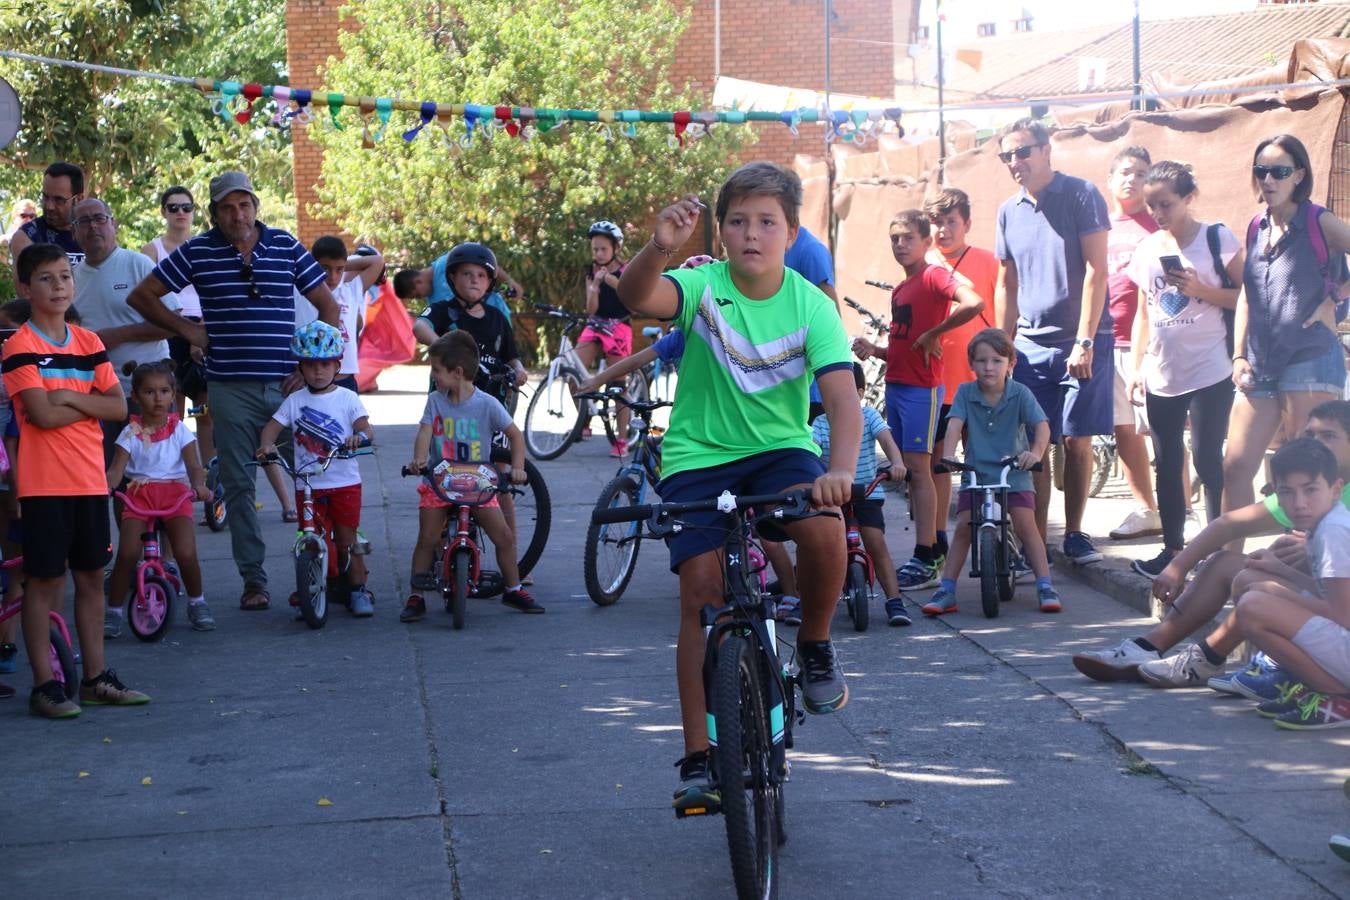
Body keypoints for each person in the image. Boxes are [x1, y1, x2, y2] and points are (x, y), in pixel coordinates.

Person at [615, 161, 861, 811]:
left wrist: (839, 470)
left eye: (767, 222)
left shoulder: (812, 305)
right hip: (698, 456)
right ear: (719, 232)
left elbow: (842, 401)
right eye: (738, 221)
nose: (752, 233)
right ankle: (699, 757)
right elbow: (638, 298)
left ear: (791, 231)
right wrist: (660, 246)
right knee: (700, 590)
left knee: (826, 530)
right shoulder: (703, 287)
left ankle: (813, 643)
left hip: (780, 451)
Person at [126, 170, 340, 613]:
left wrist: (312, 365)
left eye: (244, 205)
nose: (237, 214)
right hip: (228, 388)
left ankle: (330, 574)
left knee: (321, 477)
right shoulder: (197, 251)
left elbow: (329, 304)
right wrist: (187, 330)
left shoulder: (284, 245)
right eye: (227, 207)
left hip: (289, 385)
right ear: (214, 213)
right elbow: (144, 296)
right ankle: (255, 582)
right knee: (240, 487)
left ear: (256, 207)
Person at [1072, 400, 1350, 689]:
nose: (1317, 443)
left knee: (1258, 597)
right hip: (1327, 598)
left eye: (1328, 436)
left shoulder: (1321, 490)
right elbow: (1229, 523)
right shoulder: (1306, 487)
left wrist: (1310, 550)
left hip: (1339, 615)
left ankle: (1220, 660)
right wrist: (1178, 566)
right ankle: (1149, 647)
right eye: (1311, 435)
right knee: (1229, 566)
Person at [1, 243, 146, 718]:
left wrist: (66, 394)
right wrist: (81, 400)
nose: (59, 285)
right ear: (26, 287)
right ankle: (45, 686)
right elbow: (40, 416)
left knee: (89, 578)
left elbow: (119, 407)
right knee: (44, 584)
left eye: (65, 276)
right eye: (46, 278)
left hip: (89, 481)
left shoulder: (89, 343)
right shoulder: (18, 346)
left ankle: (95, 679)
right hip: (44, 487)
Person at [994, 117, 1113, 565]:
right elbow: (1006, 283)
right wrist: (1003, 347)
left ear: (1047, 150)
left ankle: (1077, 534)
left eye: (1022, 151)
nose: (1015, 161)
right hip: (1029, 345)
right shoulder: (1008, 210)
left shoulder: (1081, 194)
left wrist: (1084, 341)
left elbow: (1097, 271)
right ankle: (1035, 543)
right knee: (1034, 448)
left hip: (1081, 340)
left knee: (1078, 439)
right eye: (1007, 155)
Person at [852, 210, 985, 591]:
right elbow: (905, 344)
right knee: (912, 471)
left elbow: (973, 302)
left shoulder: (932, 275)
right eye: (895, 238)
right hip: (896, 383)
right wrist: (876, 349)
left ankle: (926, 555)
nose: (900, 244)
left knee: (918, 468)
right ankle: (934, 545)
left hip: (921, 390)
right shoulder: (901, 288)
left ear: (926, 242)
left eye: (908, 237)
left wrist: (936, 334)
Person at [1225, 134, 1350, 531]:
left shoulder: (1318, 220)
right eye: (1261, 171)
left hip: (1311, 356)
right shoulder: (1255, 226)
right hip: (1260, 362)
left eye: (1279, 171)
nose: (1268, 179)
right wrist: (1238, 354)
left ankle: (1307, 564)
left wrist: (1336, 300)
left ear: (1298, 175)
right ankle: (1229, 562)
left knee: (1307, 473)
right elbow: (1247, 292)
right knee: (1236, 464)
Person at [1126, 161, 1241, 577]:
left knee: (1209, 457)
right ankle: (1173, 550)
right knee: (1166, 460)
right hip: (1162, 371)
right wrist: (1139, 365)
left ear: (1189, 198)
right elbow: (1144, 310)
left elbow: (1245, 297)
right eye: (1151, 205)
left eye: (1167, 204)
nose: (1158, 213)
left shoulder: (1216, 238)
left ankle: (1213, 551)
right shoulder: (1147, 248)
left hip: (1211, 367)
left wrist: (1200, 290)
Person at [400, 330, 541, 622]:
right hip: (440, 481)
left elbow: (514, 436)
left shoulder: (487, 404)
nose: (433, 376)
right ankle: (416, 595)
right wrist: (419, 459)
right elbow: (425, 431)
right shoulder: (436, 401)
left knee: (502, 536)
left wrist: (517, 467)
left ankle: (513, 588)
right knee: (426, 538)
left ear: (458, 372)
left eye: (436, 370)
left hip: (479, 483)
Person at [923, 328, 1061, 615]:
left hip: (1013, 472)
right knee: (963, 527)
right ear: (971, 364)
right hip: (976, 472)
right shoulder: (965, 392)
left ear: (1011, 364)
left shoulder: (1020, 393)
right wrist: (949, 456)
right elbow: (954, 425)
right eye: (982, 360)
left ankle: (1045, 585)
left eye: (997, 360)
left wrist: (1033, 455)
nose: (989, 367)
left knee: (1026, 525)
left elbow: (1043, 427)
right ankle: (947, 589)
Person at [259, 321, 377, 617]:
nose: (318, 371)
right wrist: (267, 446)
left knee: (348, 539)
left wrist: (358, 438)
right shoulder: (295, 400)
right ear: (300, 367)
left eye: (325, 364)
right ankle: (312, 585)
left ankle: (358, 589)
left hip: (345, 482)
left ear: (337, 365)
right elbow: (271, 429)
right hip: (308, 485)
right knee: (312, 538)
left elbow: (367, 429)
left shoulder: (347, 398)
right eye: (310, 365)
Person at [1232, 438, 1350, 729]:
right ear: (1276, 494)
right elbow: (1330, 592)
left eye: (1310, 490)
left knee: (1253, 607)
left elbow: (1343, 615)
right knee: (1248, 579)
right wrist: (1279, 570)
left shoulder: (1333, 531)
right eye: (1287, 492)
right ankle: (1314, 683)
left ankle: (1338, 697)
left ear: (1335, 489)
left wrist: (1276, 590)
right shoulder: (1325, 522)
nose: (1299, 504)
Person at [105, 361, 214, 632]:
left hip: (175, 495)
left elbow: (193, 467)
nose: (158, 398)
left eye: (165, 391)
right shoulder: (130, 432)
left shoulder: (180, 431)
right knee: (128, 554)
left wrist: (199, 485)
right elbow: (116, 470)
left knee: (186, 552)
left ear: (173, 393)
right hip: (138, 496)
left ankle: (197, 601)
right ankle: (114, 610)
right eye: (150, 392)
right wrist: (105, 487)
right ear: (136, 397)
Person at [924, 188, 998, 569]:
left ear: (967, 224)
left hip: (980, 379)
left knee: (985, 457)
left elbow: (998, 315)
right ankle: (937, 543)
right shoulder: (923, 262)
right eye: (936, 222)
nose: (943, 230)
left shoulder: (987, 261)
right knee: (939, 462)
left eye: (951, 221)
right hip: (937, 384)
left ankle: (993, 533)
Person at [69, 197, 175, 462]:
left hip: (146, 395)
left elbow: (173, 323)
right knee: (108, 478)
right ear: (74, 231)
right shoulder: (70, 278)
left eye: (99, 219)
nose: (93, 227)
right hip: (97, 396)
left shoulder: (138, 264)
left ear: (113, 224)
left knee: (151, 475)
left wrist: (119, 335)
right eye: (84, 221)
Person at [812, 362, 909, 624]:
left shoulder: (869, 416)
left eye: (847, 391)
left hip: (867, 491)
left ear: (861, 392)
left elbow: (886, 439)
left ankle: (894, 601)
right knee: (824, 546)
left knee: (875, 542)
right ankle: (808, 601)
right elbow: (812, 450)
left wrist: (897, 463)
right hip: (834, 494)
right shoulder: (821, 423)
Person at [1103, 146, 1164, 541]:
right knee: (1124, 430)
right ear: (1110, 179)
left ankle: (1183, 510)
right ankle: (1146, 510)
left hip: (1150, 344)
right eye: (1126, 171)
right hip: (1107, 342)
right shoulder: (1100, 227)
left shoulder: (1159, 226)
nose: (1132, 179)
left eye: (1142, 173)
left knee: (1161, 430)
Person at [142, 186, 211, 456]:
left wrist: (200, 332)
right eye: (173, 207)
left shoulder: (204, 247)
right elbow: (143, 295)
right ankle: (173, 477)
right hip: (167, 332)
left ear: (194, 212)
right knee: (171, 410)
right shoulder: (151, 250)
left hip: (202, 331)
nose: (180, 213)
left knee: (205, 412)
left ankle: (209, 479)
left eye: (186, 207)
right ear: (163, 212)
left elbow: (215, 292)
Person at [294, 236, 385, 393]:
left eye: (339, 269)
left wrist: (342, 264)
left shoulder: (351, 290)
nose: (333, 277)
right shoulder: (298, 290)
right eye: (325, 268)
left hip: (344, 379)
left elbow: (377, 261)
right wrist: (312, 266)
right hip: (307, 378)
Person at [576, 221, 634, 455]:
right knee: (574, 371)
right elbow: (591, 310)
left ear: (615, 248)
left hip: (619, 326)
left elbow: (631, 298)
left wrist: (609, 279)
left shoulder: (627, 269)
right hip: (596, 324)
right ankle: (585, 416)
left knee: (618, 386)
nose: (598, 254)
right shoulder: (591, 271)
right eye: (595, 249)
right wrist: (594, 287)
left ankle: (621, 440)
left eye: (603, 249)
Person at [393, 251, 521, 321]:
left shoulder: (446, 263)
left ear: (417, 282)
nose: (420, 298)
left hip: (497, 315)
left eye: (417, 295)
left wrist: (510, 281)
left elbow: (486, 263)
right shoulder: (434, 303)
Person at [9, 161, 85, 267]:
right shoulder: (27, 237)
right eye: (45, 197)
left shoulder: (93, 233)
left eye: (59, 200)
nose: (49, 206)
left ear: (79, 199)